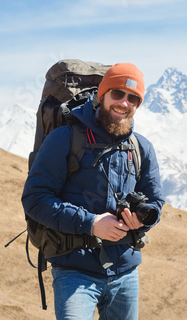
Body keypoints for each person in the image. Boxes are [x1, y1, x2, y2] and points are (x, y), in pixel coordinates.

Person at [21, 62, 164, 320]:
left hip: (125, 272)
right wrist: (91, 224)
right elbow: (35, 199)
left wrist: (144, 219)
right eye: (117, 93)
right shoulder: (64, 138)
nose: (124, 103)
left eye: (133, 98)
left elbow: (155, 201)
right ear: (102, 94)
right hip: (75, 271)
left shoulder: (141, 148)